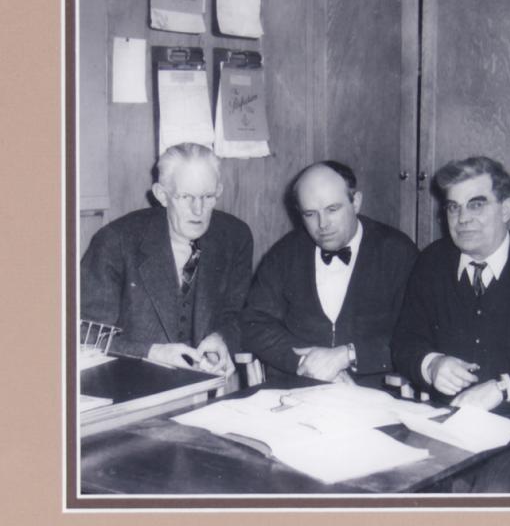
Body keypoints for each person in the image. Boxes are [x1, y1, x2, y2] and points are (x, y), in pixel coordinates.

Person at [392, 156, 510, 491]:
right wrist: (430, 364)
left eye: (477, 205)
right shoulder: (431, 263)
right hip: (440, 421)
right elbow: (404, 340)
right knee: (390, 485)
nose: (463, 219)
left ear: (506, 209)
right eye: (453, 207)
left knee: (491, 496)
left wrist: (504, 387)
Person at [81, 142, 253, 374]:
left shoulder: (235, 236)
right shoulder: (116, 241)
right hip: (129, 385)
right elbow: (84, 333)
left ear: (218, 192)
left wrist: (221, 338)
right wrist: (152, 352)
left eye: (208, 196)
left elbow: (239, 315)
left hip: (202, 386)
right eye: (185, 197)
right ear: (162, 195)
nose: (198, 209)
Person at [241, 160, 418, 384]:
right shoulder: (285, 253)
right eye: (310, 214)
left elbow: (416, 335)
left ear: (356, 202)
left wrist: (349, 355)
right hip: (297, 388)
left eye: (332, 209)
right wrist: (306, 365)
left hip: (371, 394)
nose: (322, 224)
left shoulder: (396, 252)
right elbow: (254, 323)